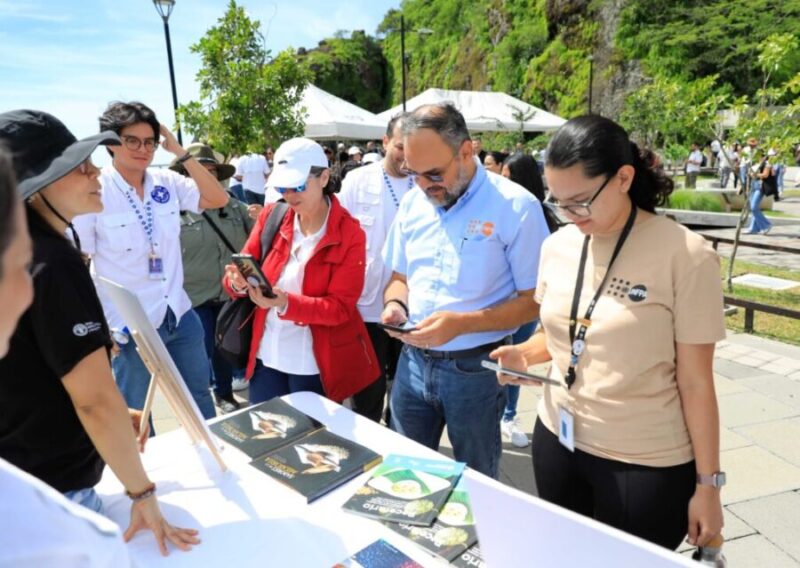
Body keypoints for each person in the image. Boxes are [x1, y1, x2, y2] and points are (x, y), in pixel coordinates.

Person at [490, 115, 726, 550]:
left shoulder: (687, 256)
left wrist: (708, 486)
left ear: (623, 178)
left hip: (644, 462)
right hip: (557, 441)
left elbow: (696, 383)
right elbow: (564, 336)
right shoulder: (557, 245)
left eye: (580, 201)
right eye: (558, 201)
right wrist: (523, 354)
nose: (569, 215)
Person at [0, 110, 200, 558]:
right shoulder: (51, 262)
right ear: (35, 188)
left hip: (24, 486)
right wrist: (143, 495)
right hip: (57, 498)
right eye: (74, 166)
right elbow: (93, 399)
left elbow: (33, 373)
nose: (93, 170)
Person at [381, 103, 549, 478]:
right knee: (404, 474)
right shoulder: (412, 203)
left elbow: (533, 302)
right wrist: (394, 304)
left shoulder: (517, 207)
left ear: (467, 151)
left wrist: (462, 324)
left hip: (475, 369)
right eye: (414, 173)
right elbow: (399, 277)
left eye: (435, 174)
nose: (424, 185)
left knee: (476, 482)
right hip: (411, 361)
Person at [73, 101, 228, 421]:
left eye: (150, 142)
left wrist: (180, 152)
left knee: (198, 394)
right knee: (139, 412)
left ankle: (212, 459)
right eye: (132, 140)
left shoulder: (167, 184)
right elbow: (78, 261)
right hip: (128, 327)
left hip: (179, 313)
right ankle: (148, 470)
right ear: (111, 144)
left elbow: (218, 198)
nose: (143, 149)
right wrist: (98, 326)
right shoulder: (94, 190)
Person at [223, 137, 380, 405]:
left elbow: (341, 308)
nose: (289, 195)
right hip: (266, 356)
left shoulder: (350, 233)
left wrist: (286, 303)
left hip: (314, 365)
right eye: (282, 187)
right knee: (267, 440)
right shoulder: (272, 215)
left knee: (312, 444)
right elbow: (237, 273)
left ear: (324, 177)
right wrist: (237, 282)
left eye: (297, 186)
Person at [339, 113, 414, 423]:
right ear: (385, 142)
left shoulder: (425, 182)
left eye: (413, 148)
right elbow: (339, 234)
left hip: (411, 305)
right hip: (366, 307)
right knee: (367, 390)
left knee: (405, 390)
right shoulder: (358, 180)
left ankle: (398, 434)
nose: (407, 156)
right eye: (400, 147)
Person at [174, 144, 251, 414]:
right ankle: (200, 394)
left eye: (211, 172)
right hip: (194, 295)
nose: (206, 177)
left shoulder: (234, 205)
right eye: (199, 171)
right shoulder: (173, 209)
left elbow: (260, 233)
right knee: (200, 350)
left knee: (223, 347)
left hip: (230, 292)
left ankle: (224, 392)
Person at [495, 152, 558, 448]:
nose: (501, 183)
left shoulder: (542, 215)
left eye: (508, 177)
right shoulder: (497, 212)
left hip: (529, 304)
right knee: (498, 364)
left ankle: (509, 416)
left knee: (517, 361)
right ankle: (494, 414)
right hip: (499, 304)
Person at [746, 149, 776, 235]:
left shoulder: (767, 163)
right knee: (752, 207)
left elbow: (765, 175)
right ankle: (753, 228)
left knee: (754, 207)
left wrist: (754, 174)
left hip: (760, 186)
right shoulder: (756, 163)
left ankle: (766, 225)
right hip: (753, 185)